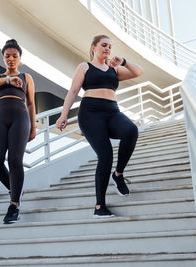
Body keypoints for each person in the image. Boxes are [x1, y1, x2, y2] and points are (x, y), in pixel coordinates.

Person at [56, 34, 143, 217]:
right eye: (104, 45)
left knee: (131, 130)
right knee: (106, 155)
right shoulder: (84, 67)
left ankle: (118, 175)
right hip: (91, 114)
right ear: (94, 47)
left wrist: (124, 62)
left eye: (110, 47)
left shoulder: (115, 70)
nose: (108, 49)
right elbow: (73, 91)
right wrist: (64, 114)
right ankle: (99, 206)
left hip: (112, 112)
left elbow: (138, 72)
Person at [0, 39, 36, 223]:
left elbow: (30, 103)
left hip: (20, 117)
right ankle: (16, 190)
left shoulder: (26, 77)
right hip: (0, 117)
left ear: (20, 58)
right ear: (3, 58)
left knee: (14, 159)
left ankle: (14, 205)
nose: (11, 59)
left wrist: (33, 127)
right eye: (7, 56)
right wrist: (6, 79)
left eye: (14, 56)